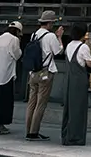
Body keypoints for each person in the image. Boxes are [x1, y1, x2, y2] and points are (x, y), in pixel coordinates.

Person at [25, 11, 63, 142]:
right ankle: (33, 133)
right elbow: (58, 51)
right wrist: (59, 37)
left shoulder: (34, 35)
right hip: (45, 72)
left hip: (33, 72)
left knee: (31, 103)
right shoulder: (50, 36)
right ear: (49, 23)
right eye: (52, 22)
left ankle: (28, 130)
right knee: (40, 104)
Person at [61, 24, 91, 146]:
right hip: (79, 81)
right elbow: (89, 63)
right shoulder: (83, 47)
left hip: (69, 79)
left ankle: (66, 135)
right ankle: (76, 137)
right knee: (79, 109)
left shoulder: (69, 45)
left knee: (69, 108)